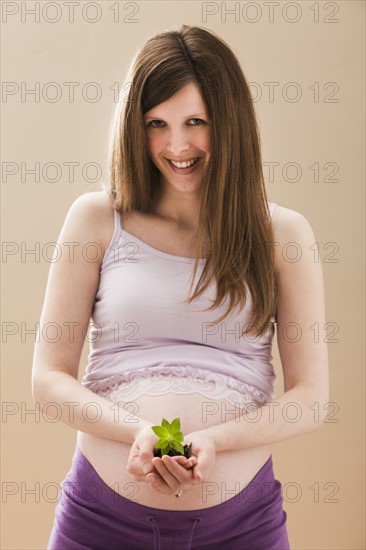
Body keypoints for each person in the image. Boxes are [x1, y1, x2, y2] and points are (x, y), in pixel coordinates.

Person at [32, 24, 329, 550]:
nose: (176, 145)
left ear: (230, 123)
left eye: (196, 122)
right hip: (100, 521)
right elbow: (49, 380)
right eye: (156, 124)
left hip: (241, 526)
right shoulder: (97, 219)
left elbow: (310, 399)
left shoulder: (283, 234)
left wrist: (214, 440)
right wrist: (136, 433)